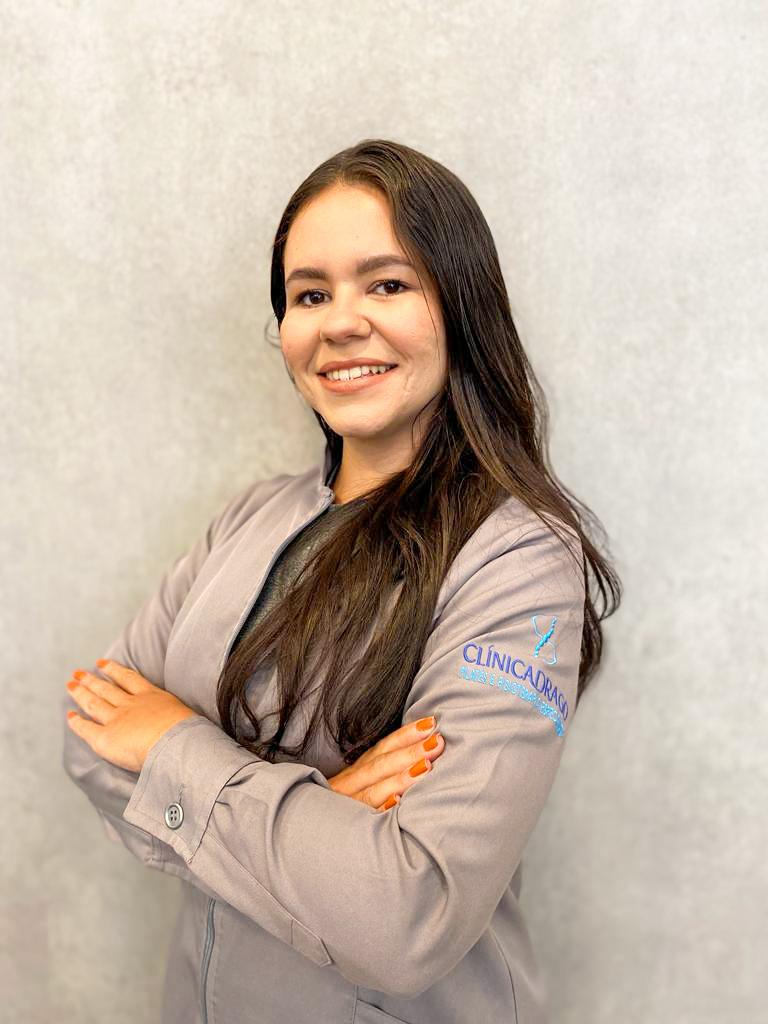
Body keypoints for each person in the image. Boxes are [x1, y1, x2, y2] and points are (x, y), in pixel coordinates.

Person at [62, 138, 621, 1024]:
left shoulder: (515, 563)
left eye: (387, 284)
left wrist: (173, 749)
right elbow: (91, 740)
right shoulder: (249, 518)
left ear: (462, 304)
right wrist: (323, 813)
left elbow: (407, 916)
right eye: (310, 294)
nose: (340, 323)